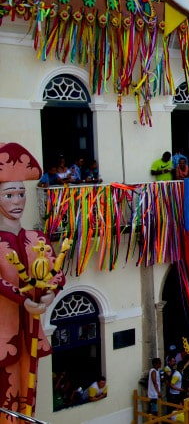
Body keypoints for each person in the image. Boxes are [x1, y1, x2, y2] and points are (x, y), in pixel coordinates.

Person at [0, 143, 67, 417]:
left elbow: (56, 272)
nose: (17, 201)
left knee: (28, 396)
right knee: (7, 397)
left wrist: (51, 292)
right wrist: (23, 300)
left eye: (21, 193)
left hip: (30, 332)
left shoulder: (36, 238)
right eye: (9, 195)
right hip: (4, 333)